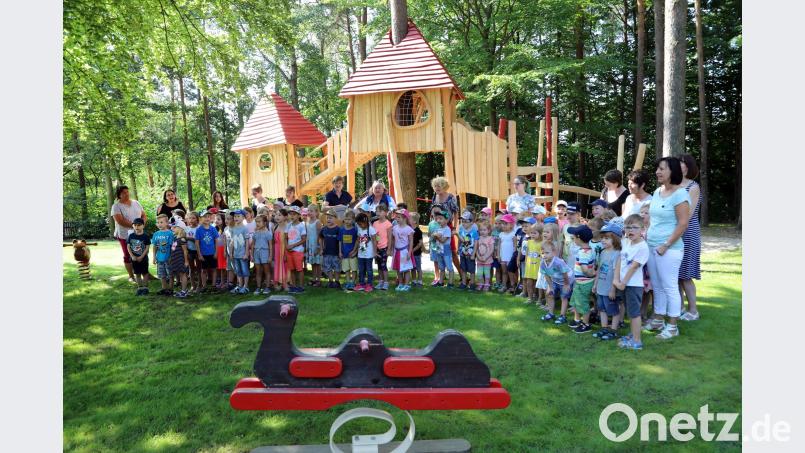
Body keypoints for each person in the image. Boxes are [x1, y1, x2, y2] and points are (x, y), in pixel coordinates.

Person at [644, 157, 691, 340]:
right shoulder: (657, 191)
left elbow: (683, 224)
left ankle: (672, 326)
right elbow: (653, 219)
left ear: (673, 171)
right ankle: (658, 319)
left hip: (669, 248)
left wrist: (666, 245)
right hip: (652, 245)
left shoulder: (680, 194)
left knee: (669, 286)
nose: (657, 172)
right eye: (657, 168)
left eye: (662, 169)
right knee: (656, 285)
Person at [615, 214, 651, 350]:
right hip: (623, 282)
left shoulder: (642, 247)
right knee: (630, 311)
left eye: (634, 227)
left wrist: (623, 282)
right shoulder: (625, 241)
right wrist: (616, 279)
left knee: (634, 313)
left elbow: (633, 267)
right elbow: (620, 260)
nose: (630, 230)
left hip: (633, 285)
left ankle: (637, 341)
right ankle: (632, 334)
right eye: (627, 227)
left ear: (643, 229)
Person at [678, 154, 702, 321]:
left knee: (686, 274)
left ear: (689, 167)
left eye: (683, 164)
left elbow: (689, 213)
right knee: (675, 275)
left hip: (688, 233)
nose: (679, 166)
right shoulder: (671, 185)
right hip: (672, 232)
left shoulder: (693, 187)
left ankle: (693, 310)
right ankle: (678, 308)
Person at [592, 221, 622, 341]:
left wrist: (613, 289)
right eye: (602, 238)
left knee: (613, 310)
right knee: (602, 309)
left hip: (610, 289)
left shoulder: (617, 254)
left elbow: (616, 273)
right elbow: (599, 269)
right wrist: (595, 284)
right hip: (601, 287)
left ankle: (613, 330)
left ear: (615, 239)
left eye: (606, 238)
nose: (603, 240)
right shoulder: (603, 252)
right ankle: (604, 328)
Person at [111, 185, 147, 281]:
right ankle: (131, 276)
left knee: (141, 252)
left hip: (139, 233)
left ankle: (145, 274)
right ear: (119, 195)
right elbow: (120, 221)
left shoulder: (136, 203)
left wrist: (141, 225)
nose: (126, 194)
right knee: (128, 255)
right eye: (123, 193)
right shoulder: (116, 206)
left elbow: (143, 215)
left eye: (127, 191)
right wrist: (136, 226)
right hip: (124, 234)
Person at [566, 225, 597, 333]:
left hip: (584, 283)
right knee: (576, 301)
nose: (573, 239)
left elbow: (585, 269)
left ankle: (585, 324)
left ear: (579, 238)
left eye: (573, 237)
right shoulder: (589, 249)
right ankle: (577, 319)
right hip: (580, 282)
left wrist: (592, 274)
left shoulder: (583, 253)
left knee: (583, 303)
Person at [430, 177, 461, 273]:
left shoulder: (451, 197)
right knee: (436, 249)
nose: (436, 188)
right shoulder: (435, 196)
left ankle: (461, 274)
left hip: (448, 226)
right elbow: (432, 211)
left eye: (438, 186)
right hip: (436, 225)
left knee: (452, 250)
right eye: (435, 186)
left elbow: (456, 213)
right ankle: (438, 276)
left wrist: (454, 227)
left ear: (444, 186)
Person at [539, 241, 573, 323]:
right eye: (543, 253)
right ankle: (551, 314)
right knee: (549, 294)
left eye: (547, 253)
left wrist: (567, 285)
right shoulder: (542, 263)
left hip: (566, 279)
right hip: (555, 280)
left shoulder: (558, 262)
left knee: (563, 297)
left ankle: (562, 316)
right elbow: (546, 275)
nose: (544, 255)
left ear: (553, 252)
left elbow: (565, 274)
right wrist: (550, 287)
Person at [390, 209, 415, 291]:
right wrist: (392, 249)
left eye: (399, 217)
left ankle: (406, 284)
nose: (397, 219)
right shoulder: (395, 228)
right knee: (398, 269)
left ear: (405, 218)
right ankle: (400, 284)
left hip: (405, 251)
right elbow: (393, 239)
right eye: (396, 217)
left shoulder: (408, 229)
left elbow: (411, 241)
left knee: (406, 269)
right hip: (397, 251)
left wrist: (409, 252)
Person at [195, 210, 219, 292]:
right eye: (205, 217)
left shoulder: (213, 229)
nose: (207, 218)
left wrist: (216, 252)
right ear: (201, 219)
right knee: (204, 270)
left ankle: (213, 285)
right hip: (203, 254)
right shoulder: (199, 230)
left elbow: (216, 241)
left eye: (208, 217)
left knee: (214, 269)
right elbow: (197, 243)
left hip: (212, 253)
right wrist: (199, 254)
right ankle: (204, 286)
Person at [228, 210, 252, 295]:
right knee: (238, 271)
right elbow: (232, 242)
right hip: (236, 254)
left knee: (245, 270)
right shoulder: (233, 229)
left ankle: (246, 286)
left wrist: (246, 253)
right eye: (235, 216)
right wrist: (231, 253)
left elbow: (247, 242)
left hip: (243, 254)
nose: (236, 218)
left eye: (238, 216)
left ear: (243, 217)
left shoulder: (245, 229)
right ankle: (240, 285)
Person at [151, 214, 175, 296]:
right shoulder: (156, 234)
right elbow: (154, 246)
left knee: (170, 274)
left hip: (168, 258)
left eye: (161, 222)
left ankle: (171, 289)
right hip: (159, 258)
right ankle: (164, 288)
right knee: (162, 274)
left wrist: (171, 256)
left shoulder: (170, 234)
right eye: (158, 222)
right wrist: (154, 257)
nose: (159, 224)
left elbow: (173, 246)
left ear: (167, 223)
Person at [285, 206, 307, 294]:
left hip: (297, 250)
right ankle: (293, 286)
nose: (291, 216)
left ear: (299, 215)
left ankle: (301, 287)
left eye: (294, 214)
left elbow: (304, 239)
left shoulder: (301, 226)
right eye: (290, 214)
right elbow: (286, 237)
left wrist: (293, 245)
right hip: (289, 251)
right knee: (292, 269)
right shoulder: (288, 225)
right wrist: (287, 246)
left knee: (299, 269)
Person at [355, 212, 378, 292]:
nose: (360, 226)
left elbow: (375, 241)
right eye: (358, 224)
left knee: (369, 269)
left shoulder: (371, 229)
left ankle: (369, 284)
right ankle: (361, 283)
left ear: (365, 222)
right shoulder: (359, 229)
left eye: (361, 224)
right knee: (361, 269)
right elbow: (358, 240)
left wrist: (375, 252)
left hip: (368, 254)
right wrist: (354, 251)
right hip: (361, 254)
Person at [431, 209, 455, 288]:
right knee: (441, 267)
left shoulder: (447, 229)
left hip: (446, 251)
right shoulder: (438, 228)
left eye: (441, 218)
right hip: (439, 251)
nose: (438, 220)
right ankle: (440, 282)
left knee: (449, 267)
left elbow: (443, 241)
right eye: (437, 218)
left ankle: (450, 283)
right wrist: (433, 237)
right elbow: (434, 240)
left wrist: (437, 237)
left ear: (447, 220)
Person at [126, 218, 151, 296]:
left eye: (139, 225)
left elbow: (147, 247)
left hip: (143, 258)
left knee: (145, 273)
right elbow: (128, 247)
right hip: (134, 259)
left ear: (143, 226)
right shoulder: (131, 236)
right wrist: (132, 256)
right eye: (135, 225)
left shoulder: (146, 236)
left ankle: (145, 288)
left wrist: (141, 256)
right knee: (137, 273)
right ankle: (140, 287)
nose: (137, 227)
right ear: (133, 226)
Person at [250, 214, 273, 295]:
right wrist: (252, 255)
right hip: (256, 253)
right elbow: (252, 244)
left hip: (265, 253)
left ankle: (267, 287)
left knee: (267, 271)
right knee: (258, 271)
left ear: (264, 222)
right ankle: (258, 287)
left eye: (259, 222)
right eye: (256, 222)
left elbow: (270, 245)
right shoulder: (255, 233)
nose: (257, 224)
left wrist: (270, 256)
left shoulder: (268, 233)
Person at [372, 204, 393, 290]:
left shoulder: (388, 224)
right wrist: (374, 250)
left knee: (384, 266)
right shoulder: (375, 223)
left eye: (380, 211)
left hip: (384, 247)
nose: (378, 213)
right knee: (379, 266)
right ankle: (380, 282)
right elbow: (374, 237)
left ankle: (386, 282)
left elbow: (390, 237)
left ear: (385, 213)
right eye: (377, 211)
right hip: (377, 248)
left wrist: (389, 249)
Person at [320, 209, 342, 288]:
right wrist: (321, 249)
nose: (328, 219)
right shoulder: (324, 229)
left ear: (335, 218)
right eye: (327, 218)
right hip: (326, 252)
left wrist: (340, 252)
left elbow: (340, 241)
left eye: (330, 218)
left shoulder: (338, 229)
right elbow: (321, 239)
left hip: (335, 252)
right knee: (328, 268)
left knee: (336, 268)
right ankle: (330, 281)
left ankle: (336, 281)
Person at [457, 210, 479, 290]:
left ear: (471, 222)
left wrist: (474, 254)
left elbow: (476, 243)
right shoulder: (461, 230)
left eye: (466, 221)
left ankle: (472, 284)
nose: (463, 223)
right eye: (462, 221)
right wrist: (458, 248)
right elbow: (462, 240)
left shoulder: (474, 232)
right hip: (463, 252)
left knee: (471, 269)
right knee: (463, 268)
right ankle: (463, 283)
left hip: (470, 253)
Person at [168, 221, 190, 298]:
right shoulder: (175, 238)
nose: (172, 228)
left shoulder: (182, 239)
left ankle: (184, 291)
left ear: (180, 228)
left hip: (181, 260)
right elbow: (173, 249)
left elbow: (185, 251)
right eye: (171, 227)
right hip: (176, 260)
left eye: (174, 227)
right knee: (180, 275)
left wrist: (186, 261)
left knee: (183, 274)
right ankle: (183, 290)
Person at [522, 223, 544, 304]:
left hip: (538, 266)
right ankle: (530, 298)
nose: (532, 235)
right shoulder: (529, 242)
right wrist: (526, 263)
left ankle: (539, 299)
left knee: (539, 284)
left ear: (541, 233)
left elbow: (543, 255)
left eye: (535, 233)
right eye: (531, 233)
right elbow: (527, 254)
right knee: (529, 282)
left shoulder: (542, 243)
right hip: (529, 266)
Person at [497, 214, 518, 293]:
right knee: (504, 272)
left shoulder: (513, 234)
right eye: (502, 223)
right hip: (503, 257)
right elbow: (499, 246)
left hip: (510, 258)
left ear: (512, 224)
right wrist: (498, 255)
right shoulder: (501, 234)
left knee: (511, 272)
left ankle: (513, 286)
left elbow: (515, 247)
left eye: (506, 223)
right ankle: (504, 285)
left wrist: (514, 257)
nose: (503, 225)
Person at [339, 211, 359, 290]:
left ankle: (353, 282)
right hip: (344, 254)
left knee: (354, 269)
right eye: (346, 219)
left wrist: (355, 251)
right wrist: (340, 252)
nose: (347, 221)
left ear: (353, 220)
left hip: (352, 254)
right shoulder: (341, 230)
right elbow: (340, 241)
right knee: (346, 269)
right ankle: (348, 282)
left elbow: (357, 241)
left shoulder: (355, 230)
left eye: (349, 219)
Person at [305, 204, 323, 287]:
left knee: (318, 263)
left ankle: (319, 280)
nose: (309, 212)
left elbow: (320, 236)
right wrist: (307, 246)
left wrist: (318, 247)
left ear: (316, 212)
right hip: (310, 245)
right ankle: (313, 279)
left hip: (316, 245)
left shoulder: (317, 222)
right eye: (308, 210)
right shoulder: (307, 222)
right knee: (313, 263)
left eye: (311, 211)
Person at [272, 209, 290, 293]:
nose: (277, 217)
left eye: (280, 215)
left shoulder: (288, 226)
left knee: (285, 266)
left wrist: (287, 252)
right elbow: (273, 241)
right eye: (276, 215)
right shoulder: (274, 227)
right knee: (277, 266)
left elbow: (288, 240)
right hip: (277, 249)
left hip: (284, 249)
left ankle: (285, 283)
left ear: (285, 217)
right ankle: (277, 282)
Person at [475, 222, 495, 291]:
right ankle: (480, 284)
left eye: (484, 230)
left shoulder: (490, 238)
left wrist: (486, 257)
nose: (482, 232)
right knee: (479, 273)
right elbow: (476, 248)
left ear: (489, 231)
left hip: (487, 260)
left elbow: (491, 249)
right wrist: (478, 256)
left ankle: (486, 285)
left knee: (487, 273)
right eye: (481, 230)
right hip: (479, 259)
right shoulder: (478, 238)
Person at [184, 211, 200, 294]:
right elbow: (183, 239)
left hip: (198, 251)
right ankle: (193, 285)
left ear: (197, 219)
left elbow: (199, 240)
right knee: (191, 268)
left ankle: (199, 285)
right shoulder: (186, 228)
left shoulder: (199, 228)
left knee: (199, 268)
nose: (191, 220)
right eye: (190, 218)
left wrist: (191, 239)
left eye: (193, 218)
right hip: (190, 251)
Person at [410, 212, 424, 287]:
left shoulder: (418, 231)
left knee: (418, 268)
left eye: (409, 218)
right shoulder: (408, 230)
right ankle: (414, 280)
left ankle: (420, 281)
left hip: (416, 253)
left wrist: (413, 250)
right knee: (412, 268)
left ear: (414, 221)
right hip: (411, 253)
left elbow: (420, 243)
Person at [214, 213, 228, 290]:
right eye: (216, 219)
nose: (216, 221)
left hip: (224, 249)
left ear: (223, 220)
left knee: (225, 267)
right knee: (220, 267)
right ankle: (222, 282)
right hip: (218, 249)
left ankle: (226, 282)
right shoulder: (214, 229)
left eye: (219, 219)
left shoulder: (226, 229)